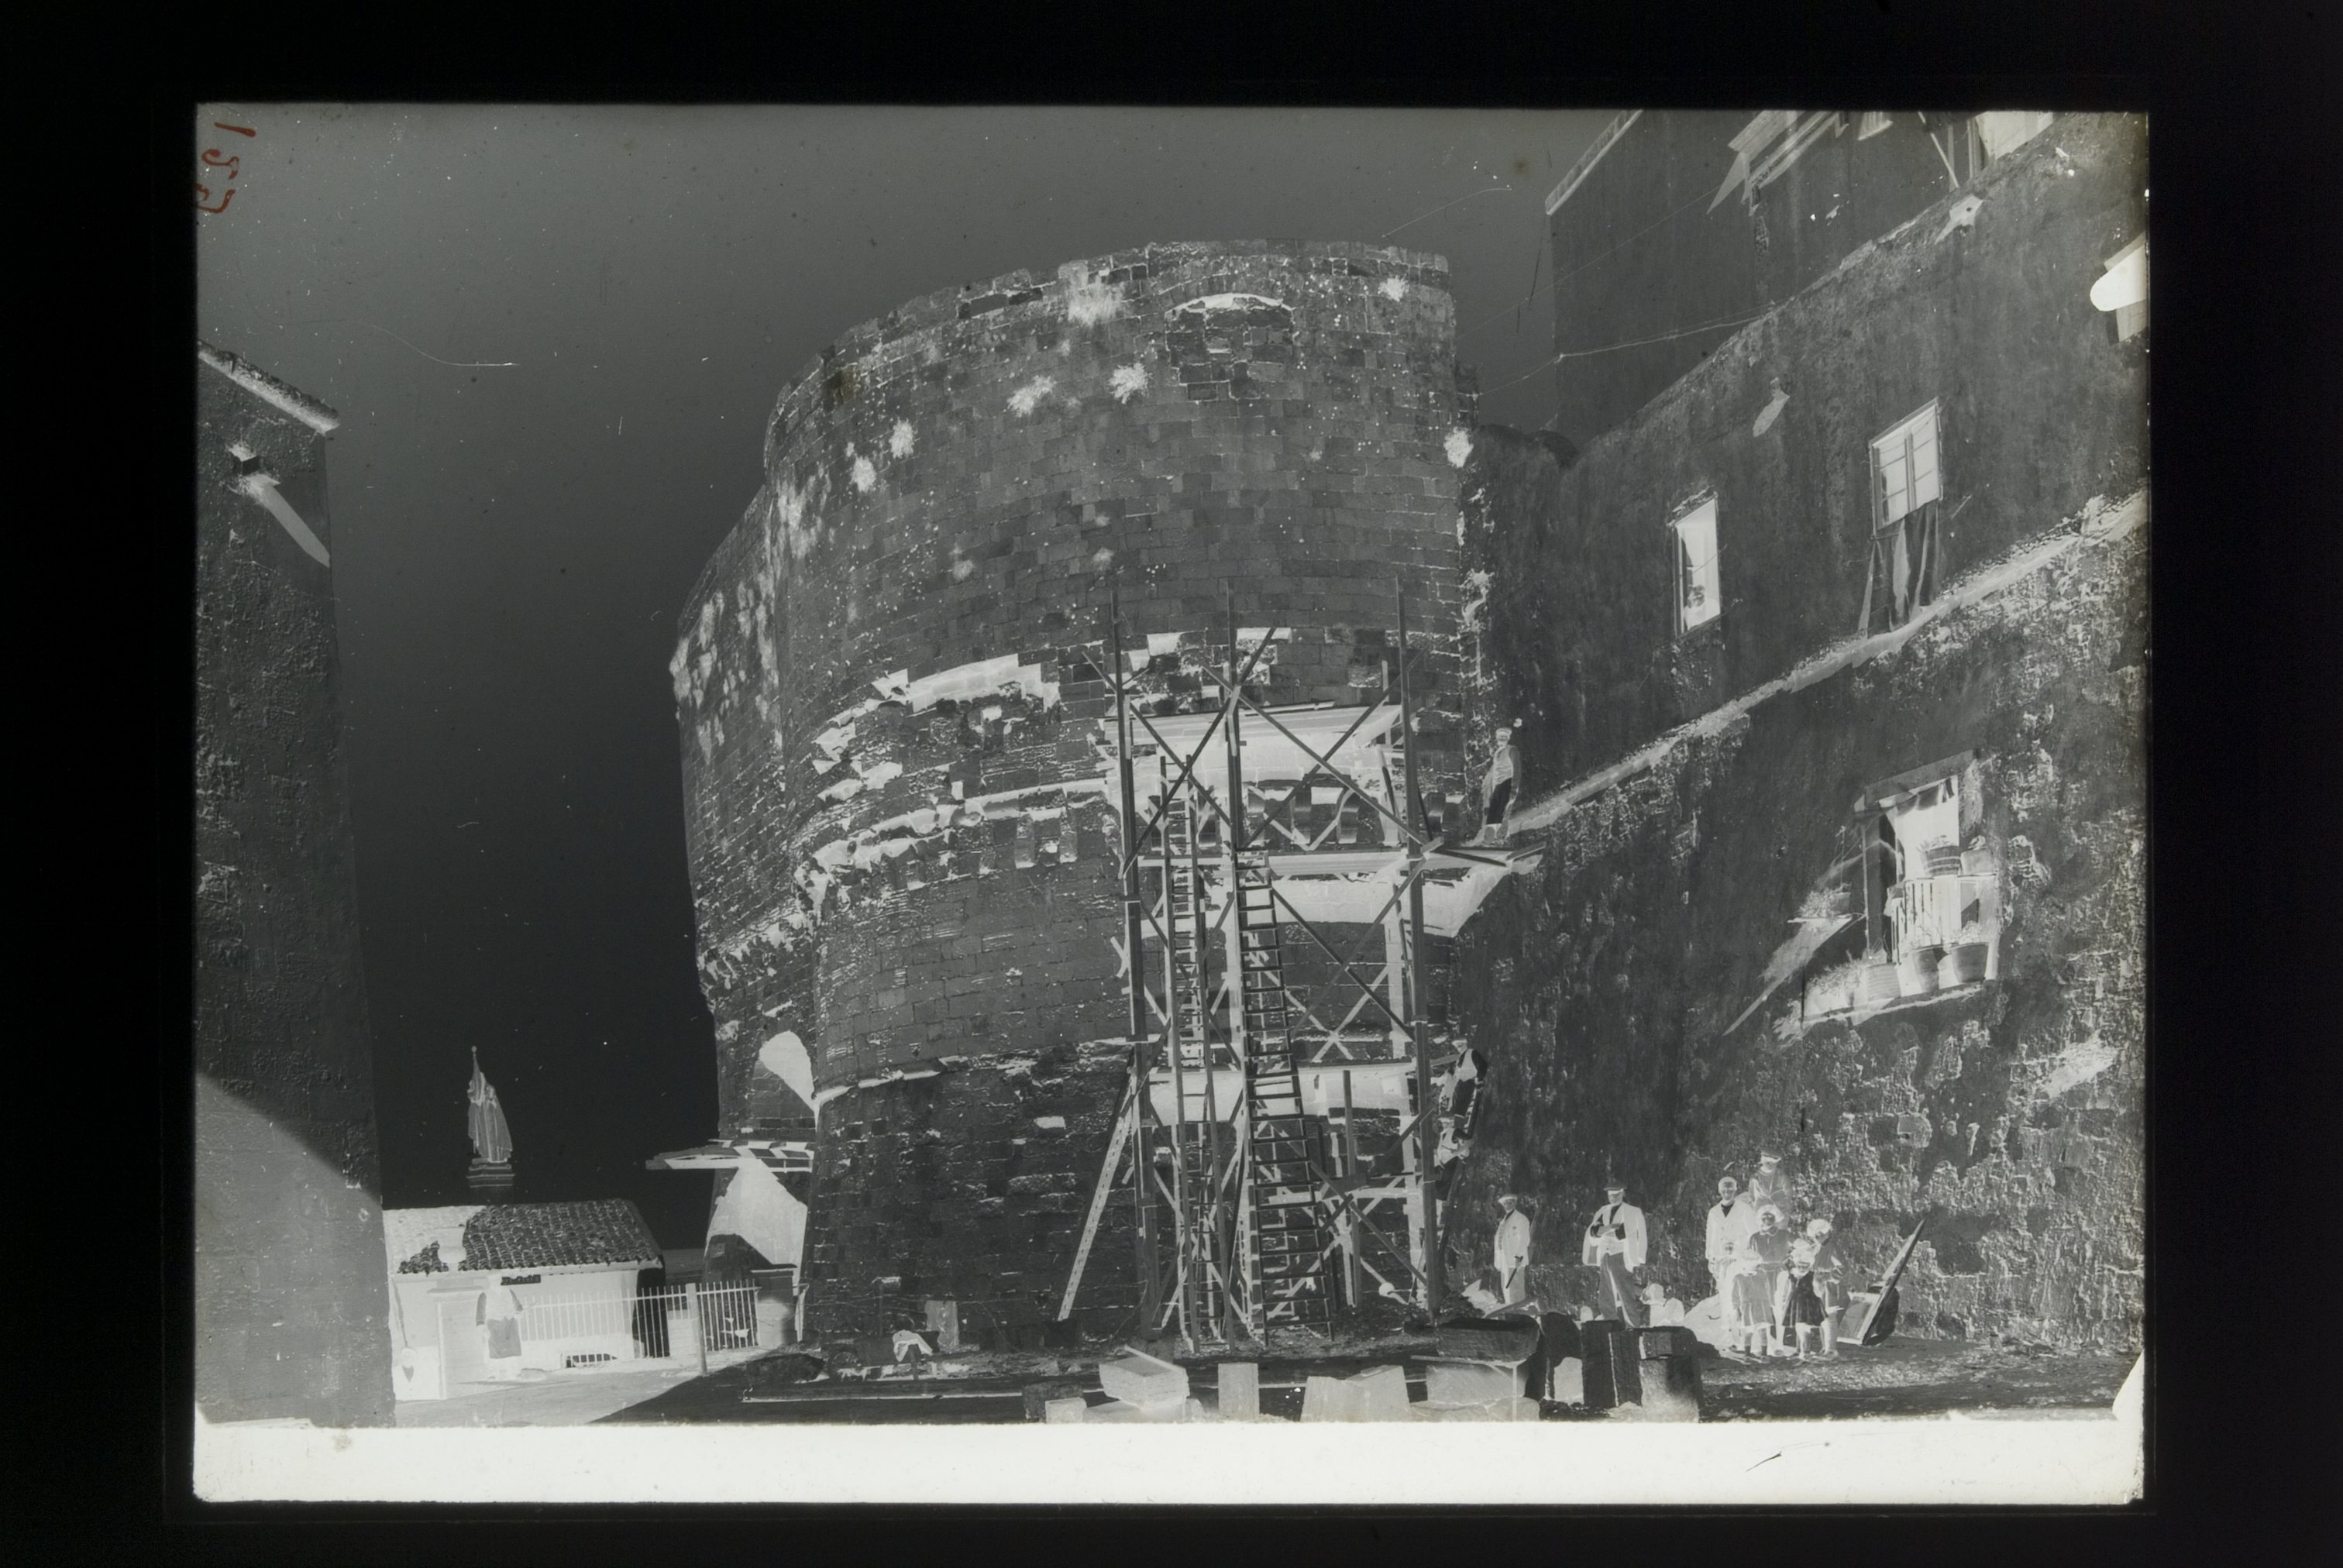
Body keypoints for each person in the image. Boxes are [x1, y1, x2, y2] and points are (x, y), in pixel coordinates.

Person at [1580, 1181, 1649, 1327]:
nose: (1613, 1198)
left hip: (1622, 1255)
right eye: (1610, 1195)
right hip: (1604, 1255)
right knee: (1606, 1293)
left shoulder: (1633, 1211)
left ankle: (1632, 1326)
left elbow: (1632, 1234)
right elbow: (1593, 1233)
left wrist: (1605, 1231)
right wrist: (1611, 1228)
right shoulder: (1602, 1211)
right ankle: (1610, 1324)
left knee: (1625, 1292)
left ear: (1623, 1193)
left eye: (1616, 1194)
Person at [1704, 1176, 1757, 1349]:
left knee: (1739, 1296)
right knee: (1725, 1296)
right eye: (1724, 1190)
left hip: (1739, 1258)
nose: (1727, 1193)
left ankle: (1744, 1336)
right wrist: (1711, 1258)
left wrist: (1748, 1256)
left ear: (1735, 1190)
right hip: (1721, 1259)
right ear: (1719, 1191)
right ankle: (1730, 1335)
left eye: (1730, 1189)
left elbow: (1753, 1234)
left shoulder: (1744, 1209)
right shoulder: (1714, 1212)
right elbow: (1710, 1237)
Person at [1737, 1206, 1793, 1357]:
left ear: (1776, 1218)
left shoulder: (1784, 1235)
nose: (1767, 1220)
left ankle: (1780, 1345)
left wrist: (1788, 1262)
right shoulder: (1755, 1238)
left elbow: (1799, 1249)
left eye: (1770, 1217)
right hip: (1760, 1274)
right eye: (1764, 1218)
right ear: (1760, 1220)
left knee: (1778, 1309)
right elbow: (1748, 1256)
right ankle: (1766, 1345)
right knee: (1762, 1309)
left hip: (1778, 1273)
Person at [1777, 1233, 1828, 1359]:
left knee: (1805, 1329)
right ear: (1796, 1264)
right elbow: (1787, 1288)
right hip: (1794, 1304)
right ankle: (1798, 1349)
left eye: (1806, 1265)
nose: (1802, 1267)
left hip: (1807, 1305)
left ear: (1810, 1265)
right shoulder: (1792, 1275)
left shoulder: (1812, 1275)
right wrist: (1784, 1302)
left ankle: (1806, 1352)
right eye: (1800, 1265)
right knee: (1798, 1328)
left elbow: (1818, 1290)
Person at [1476, 724, 1525, 846]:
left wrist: (1514, 789)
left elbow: (1517, 770)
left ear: (1508, 739)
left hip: (1507, 783)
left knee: (1503, 813)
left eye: (1504, 737)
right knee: (1493, 814)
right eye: (1500, 737)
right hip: (1497, 786)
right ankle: (1487, 842)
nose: (1502, 739)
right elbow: (1495, 771)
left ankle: (1500, 840)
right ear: (1497, 739)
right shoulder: (1498, 752)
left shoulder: (1512, 750)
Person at [1805, 1218, 1846, 1356]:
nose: (1818, 1237)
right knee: (1821, 1318)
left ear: (1827, 1233)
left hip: (1829, 1287)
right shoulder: (1815, 1248)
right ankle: (1824, 1347)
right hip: (1817, 1285)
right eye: (1815, 1235)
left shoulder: (1832, 1248)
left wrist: (1828, 1277)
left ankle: (1832, 1348)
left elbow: (1843, 1268)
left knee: (1830, 1317)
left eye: (1820, 1234)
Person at [1494, 1194, 1536, 1307]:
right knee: (1506, 1287)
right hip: (1503, 1258)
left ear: (1515, 1203)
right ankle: (1510, 1312)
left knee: (1515, 1288)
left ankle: (1518, 1313)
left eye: (1511, 1202)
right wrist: (1498, 1260)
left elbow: (1524, 1240)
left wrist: (1518, 1257)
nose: (1508, 1205)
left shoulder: (1521, 1219)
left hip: (1515, 1258)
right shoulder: (1503, 1220)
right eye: (1505, 1203)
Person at [1748, 1150, 1794, 1215]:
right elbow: (1751, 1195)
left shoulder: (1782, 1176)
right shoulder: (1755, 1178)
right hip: (1761, 1211)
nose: (1771, 1165)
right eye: (1768, 1163)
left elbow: (1789, 1191)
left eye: (1774, 1163)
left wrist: (1785, 1204)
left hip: (1779, 1210)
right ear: (1762, 1161)